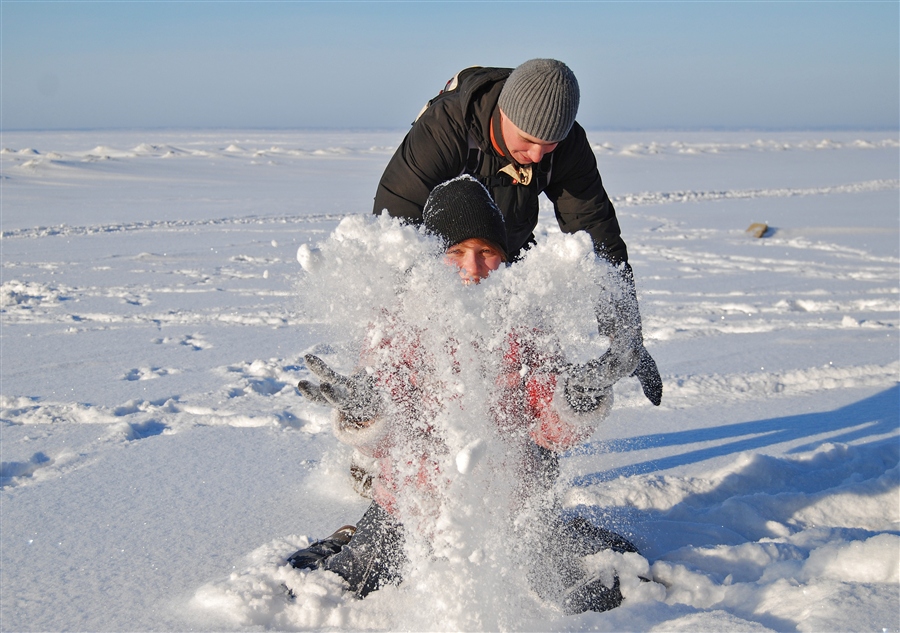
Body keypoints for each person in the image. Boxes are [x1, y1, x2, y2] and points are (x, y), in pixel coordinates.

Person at [289, 176, 638, 613]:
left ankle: (570, 534)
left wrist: (578, 401)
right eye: (456, 252)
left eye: (486, 252)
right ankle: (348, 538)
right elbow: (388, 443)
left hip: (509, 512)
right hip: (411, 511)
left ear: (504, 257)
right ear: (433, 258)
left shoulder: (526, 322)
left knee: (598, 594)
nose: (472, 268)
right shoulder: (399, 327)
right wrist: (365, 414)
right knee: (327, 592)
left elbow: (552, 431)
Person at [373, 58, 662, 407]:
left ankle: (529, 448)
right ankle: (380, 421)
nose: (538, 155)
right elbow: (396, 226)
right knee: (427, 358)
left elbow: (596, 231)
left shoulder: (567, 146)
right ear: (504, 115)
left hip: (509, 244)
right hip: (444, 256)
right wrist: (407, 318)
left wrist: (625, 333)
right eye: (527, 140)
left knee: (521, 358)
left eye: (550, 144)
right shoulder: (447, 127)